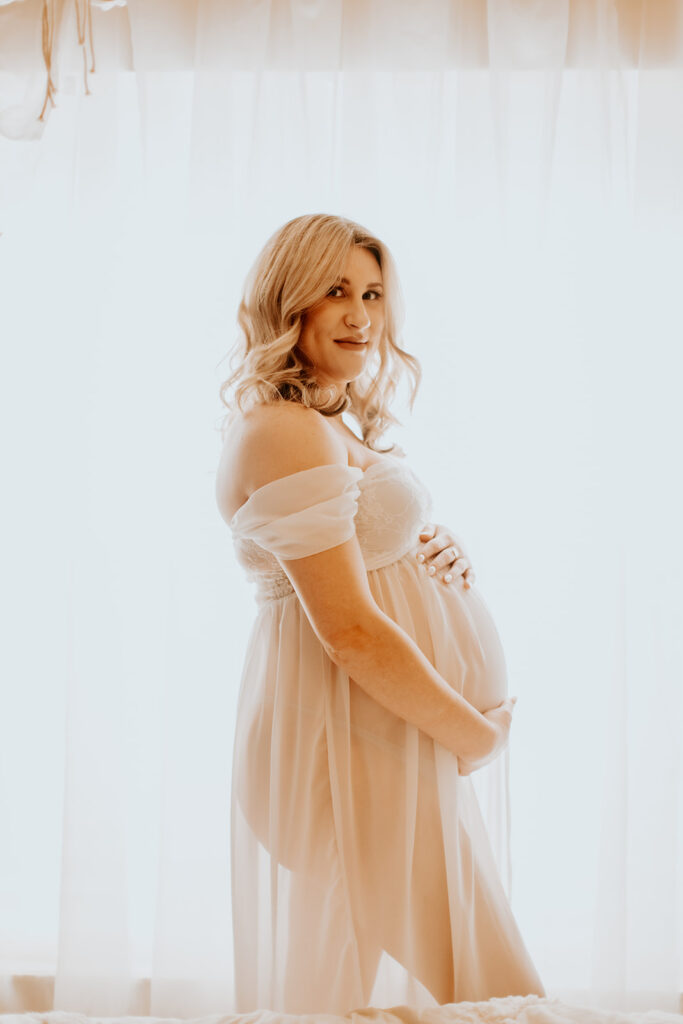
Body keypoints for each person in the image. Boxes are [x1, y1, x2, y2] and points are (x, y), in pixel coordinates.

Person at [215, 213, 545, 1013]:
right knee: (498, 991)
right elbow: (351, 632)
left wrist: (437, 549)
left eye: (371, 291)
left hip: (372, 735)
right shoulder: (285, 431)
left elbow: (364, 550)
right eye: (334, 292)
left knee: (353, 996)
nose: (362, 315)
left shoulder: (327, 423)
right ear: (287, 303)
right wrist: (474, 732)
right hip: (345, 738)